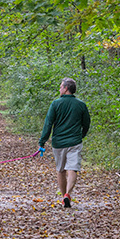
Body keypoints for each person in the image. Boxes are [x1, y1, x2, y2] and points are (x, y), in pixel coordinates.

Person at [38, 77, 90, 208]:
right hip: (75, 142)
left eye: (61, 87)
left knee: (61, 170)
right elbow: (86, 123)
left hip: (59, 143)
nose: (60, 89)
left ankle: (63, 198)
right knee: (73, 168)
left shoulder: (55, 104)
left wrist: (42, 141)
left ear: (66, 89)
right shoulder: (81, 104)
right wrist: (81, 135)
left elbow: (48, 123)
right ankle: (68, 194)